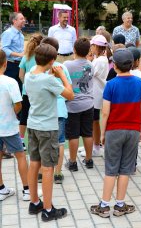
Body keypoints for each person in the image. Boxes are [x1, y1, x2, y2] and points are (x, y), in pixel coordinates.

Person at [90, 48, 141, 218]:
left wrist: (102, 134)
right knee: (125, 169)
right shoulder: (140, 83)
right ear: (133, 64)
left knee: (111, 169)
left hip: (114, 130)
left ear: (114, 66)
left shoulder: (111, 85)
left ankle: (104, 205)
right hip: (133, 130)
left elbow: (105, 113)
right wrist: (140, 129)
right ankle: (120, 205)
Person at [25, 44, 74, 222]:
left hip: (33, 125)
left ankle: (34, 202)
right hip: (48, 128)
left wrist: (52, 76)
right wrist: (61, 76)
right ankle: (47, 209)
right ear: (52, 61)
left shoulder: (30, 76)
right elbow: (70, 95)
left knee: (34, 163)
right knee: (48, 169)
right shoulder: (50, 80)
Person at [0, 49, 32, 202]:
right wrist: (12, 113)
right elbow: (18, 105)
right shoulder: (10, 82)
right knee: (20, 155)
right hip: (9, 127)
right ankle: (27, 191)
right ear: (5, 64)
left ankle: (1, 189)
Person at [64, 37, 94, 170]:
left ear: (74, 49)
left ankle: (72, 162)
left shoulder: (67, 65)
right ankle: (89, 160)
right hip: (88, 103)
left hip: (72, 105)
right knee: (88, 133)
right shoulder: (91, 65)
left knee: (73, 135)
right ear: (88, 51)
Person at [80, 35, 109, 157]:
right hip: (97, 93)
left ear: (96, 46)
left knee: (94, 121)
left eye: (92, 45)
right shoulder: (101, 59)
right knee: (94, 121)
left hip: (96, 94)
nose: (90, 48)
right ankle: (94, 145)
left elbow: (87, 74)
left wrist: (88, 61)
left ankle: (96, 147)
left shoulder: (99, 61)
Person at [19, 34, 43, 151]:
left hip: (26, 92)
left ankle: (21, 140)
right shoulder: (42, 58)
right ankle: (38, 140)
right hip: (39, 92)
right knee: (38, 115)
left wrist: (26, 84)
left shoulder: (25, 57)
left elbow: (21, 75)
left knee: (24, 116)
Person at [1, 12, 25, 93]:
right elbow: (4, 49)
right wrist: (20, 54)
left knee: (20, 89)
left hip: (20, 65)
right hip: (11, 66)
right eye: (21, 19)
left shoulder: (21, 34)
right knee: (10, 90)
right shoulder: (8, 33)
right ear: (14, 21)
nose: (24, 20)